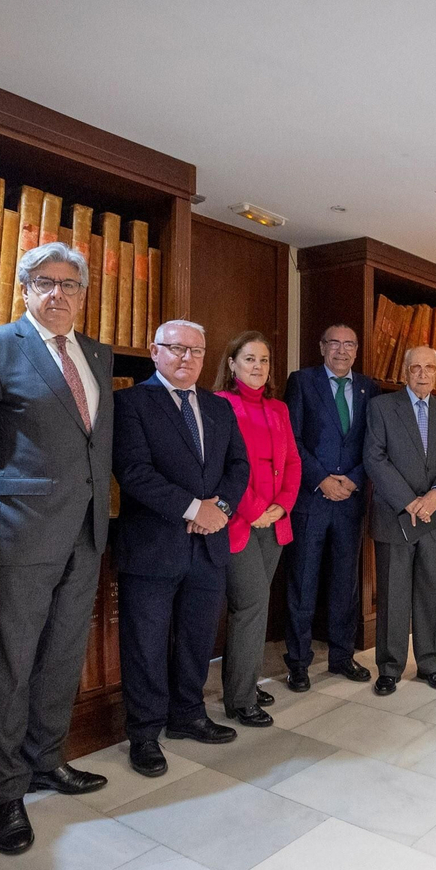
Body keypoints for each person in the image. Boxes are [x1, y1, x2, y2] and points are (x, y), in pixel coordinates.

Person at [0, 241, 113, 856]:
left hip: (86, 532)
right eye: (44, 282)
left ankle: (48, 758)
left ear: (81, 293)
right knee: (11, 663)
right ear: (24, 289)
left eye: (69, 284)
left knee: (62, 656)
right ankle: (3, 791)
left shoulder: (95, 355)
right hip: (18, 533)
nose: (58, 294)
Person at [112, 319, 249, 776]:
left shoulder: (218, 407)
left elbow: (239, 465)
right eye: (176, 349)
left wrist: (222, 509)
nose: (186, 358)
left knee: (196, 638)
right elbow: (133, 472)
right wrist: (195, 508)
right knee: (145, 644)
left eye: (195, 350)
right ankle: (145, 733)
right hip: (153, 545)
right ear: (155, 352)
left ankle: (188, 714)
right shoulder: (129, 404)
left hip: (210, 545)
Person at [363, 345, 436, 694]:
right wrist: (410, 501)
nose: (422, 373)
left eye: (429, 367)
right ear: (404, 371)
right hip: (396, 515)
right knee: (393, 594)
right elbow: (374, 458)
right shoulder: (381, 406)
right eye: (415, 367)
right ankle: (389, 667)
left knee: (432, 592)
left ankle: (431, 664)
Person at [282, 325, 379, 691]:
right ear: (322, 347)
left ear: (357, 349)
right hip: (311, 499)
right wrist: (322, 479)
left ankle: (341, 656)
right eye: (334, 343)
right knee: (303, 583)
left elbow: (374, 443)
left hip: (351, 501)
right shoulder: (302, 382)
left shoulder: (370, 387)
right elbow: (292, 438)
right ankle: (299, 662)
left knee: (345, 584)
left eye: (349, 344)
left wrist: (353, 479)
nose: (341, 350)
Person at [214, 330, 302, 726]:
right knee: (250, 604)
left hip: (275, 523)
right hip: (238, 522)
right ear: (231, 364)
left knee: (254, 606)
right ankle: (239, 698)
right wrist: (253, 510)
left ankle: (243, 680)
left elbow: (294, 464)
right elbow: (221, 468)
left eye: (264, 360)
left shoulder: (279, 409)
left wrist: (281, 506)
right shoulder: (219, 405)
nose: (258, 367)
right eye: (249, 359)